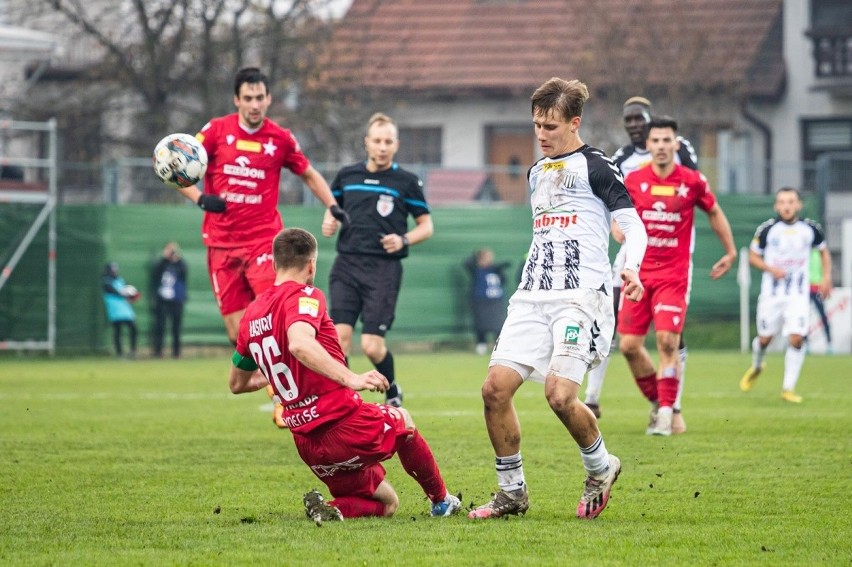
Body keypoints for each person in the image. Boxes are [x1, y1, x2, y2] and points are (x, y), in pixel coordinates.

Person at [467, 77, 647, 521]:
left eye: (550, 126)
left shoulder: (597, 167)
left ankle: (600, 467)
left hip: (580, 298)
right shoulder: (535, 173)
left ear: (574, 122)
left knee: (559, 396)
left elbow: (633, 224)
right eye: (536, 126)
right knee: (494, 390)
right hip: (531, 296)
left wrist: (631, 265)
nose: (541, 135)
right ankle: (512, 492)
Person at [228, 228, 461, 523]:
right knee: (404, 420)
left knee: (387, 502)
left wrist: (271, 371)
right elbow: (299, 343)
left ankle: (332, 509)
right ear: (312, 265)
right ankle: (441, 501)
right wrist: (351, 378)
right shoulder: (306, 296)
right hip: (343, 425)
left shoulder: (251, 315)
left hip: (307, 443)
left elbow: (237, 383)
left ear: (274, 265)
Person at [175, 67, 347, 426]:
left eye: (260, 98)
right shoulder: (215, 131)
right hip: (221, 246)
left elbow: (309, 173)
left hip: (263, 244)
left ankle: (289, 401)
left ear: (269, 98)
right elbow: (178, 165)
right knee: (241, 335)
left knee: (279, 321)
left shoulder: (280, 138)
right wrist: (200, 199)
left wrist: (332, 205)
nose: (255, 105)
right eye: (248, 98)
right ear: (237, 100)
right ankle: (279, 388)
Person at [618, 116, 737, 436]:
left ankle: (667, 414)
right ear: (648, 145)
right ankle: (661, 403)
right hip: (639, 274)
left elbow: (713, 211)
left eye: (665, 140)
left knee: (668, 340)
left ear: (675, 143)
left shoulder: (692, 180)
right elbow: (620, 218)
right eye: (654, 141)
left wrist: (730, 251)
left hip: (673, 275)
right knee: (628, 345)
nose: (659, 146)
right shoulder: (634, 181)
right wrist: (618, 229)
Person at [585, 95, 699, 425]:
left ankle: (672, 405)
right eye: (629, 120)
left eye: (640, 119)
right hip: (631, 255)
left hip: (672, 256)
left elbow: (691, 188)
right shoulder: (621, 158)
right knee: (611, 322)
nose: (635, 124)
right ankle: (593, 397)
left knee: (671, 337)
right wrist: (615, 226)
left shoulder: (680, 149)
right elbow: (608, 200)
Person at [323, 113, 434, 408]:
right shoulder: (347, 176)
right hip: (346, 265)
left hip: (383, 270)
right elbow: (333, 207)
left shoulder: (406, 181)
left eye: (388, 142)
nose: (382, 147)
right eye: (377, 141)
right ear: (366, 143)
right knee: (340, 339)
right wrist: (328, 221)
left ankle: (392, 389)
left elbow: (426, 226)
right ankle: (344, 399)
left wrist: (404, 239)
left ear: (396, 145)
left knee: (371, 346)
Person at [740, 187, 831, 403]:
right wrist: (771, 269)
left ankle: (788, 388)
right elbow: (753, 257)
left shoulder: (810, 229)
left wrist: (827, 277)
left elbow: (824, 251)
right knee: (765, 339)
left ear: (799, 205)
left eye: (791, 201)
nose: (787, 206)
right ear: (776, 206)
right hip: (771, 295)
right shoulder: (767, 230)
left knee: (797, 338)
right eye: (782, 202)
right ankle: (757, 364)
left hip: (798, 295)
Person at [463, 248, 510, 355]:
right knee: (481, 324)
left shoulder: (495, 270)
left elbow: (503, 281)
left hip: (495, 301)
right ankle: (481, 344)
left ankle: (498, 347)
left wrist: (499, 269)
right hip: (481, 301)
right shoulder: (476, 269)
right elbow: (466, 263)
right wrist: (478, 259)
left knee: (498, 324)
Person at [151, 242, 188, 358]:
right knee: (160, 327)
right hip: (162, 300)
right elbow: (156, 273)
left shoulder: (180, 264)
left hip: (176, 300)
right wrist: (165, 258)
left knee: (176, 328)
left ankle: (176, 352)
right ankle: (158, 352)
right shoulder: (162, 264)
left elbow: (184, 271)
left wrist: (177, 259)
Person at [101, 262, 139, 358]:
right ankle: (119, 353)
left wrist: (132, 295)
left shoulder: (120, 280)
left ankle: (133, 351)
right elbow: (115, 291)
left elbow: (128, 290)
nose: (115, 272)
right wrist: (126, 293)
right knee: (117, 331)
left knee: (133, 328)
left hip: (125, 309)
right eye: (113, 270)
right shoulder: (106, 282)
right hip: (115, 310)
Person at [808, 248, 833, 353]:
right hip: (805, 289)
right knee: (803, 318)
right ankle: (804, 344)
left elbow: (825, 271)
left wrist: (827, 284)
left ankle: (829, 343)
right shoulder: (804, 251)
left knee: (823, 316)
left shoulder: (821, 253)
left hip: (818, 288)